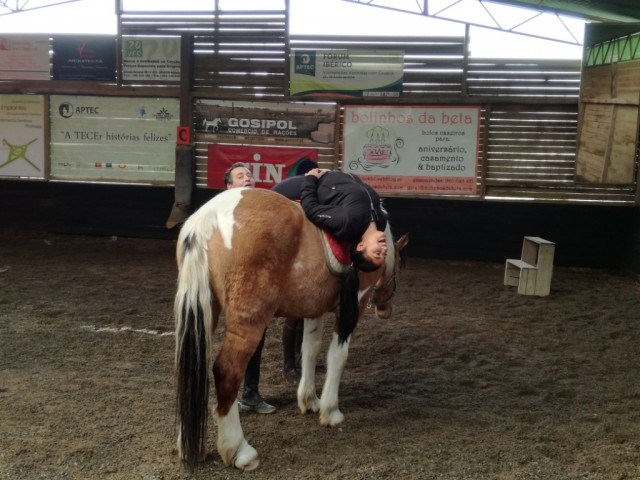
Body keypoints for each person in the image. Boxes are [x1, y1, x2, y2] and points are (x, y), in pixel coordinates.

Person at [272, 169, 389, 346]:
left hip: (314, 182)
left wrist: (311, 178)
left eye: (377, 253)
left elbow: (311, 209)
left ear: (361, 246)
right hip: (335, 176)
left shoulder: (347, 222)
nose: (384, 248)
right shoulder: (381, 220)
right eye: (383, 253)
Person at [224, 162, 276, 414]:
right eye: (240, 176)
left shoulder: (258, 210)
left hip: (253, 286)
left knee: (255, 338)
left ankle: (249, 393)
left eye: (249, 174)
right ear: (229, 186)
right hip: (231, 286)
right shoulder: (222, 211)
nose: (247, 178)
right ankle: (230, 397)